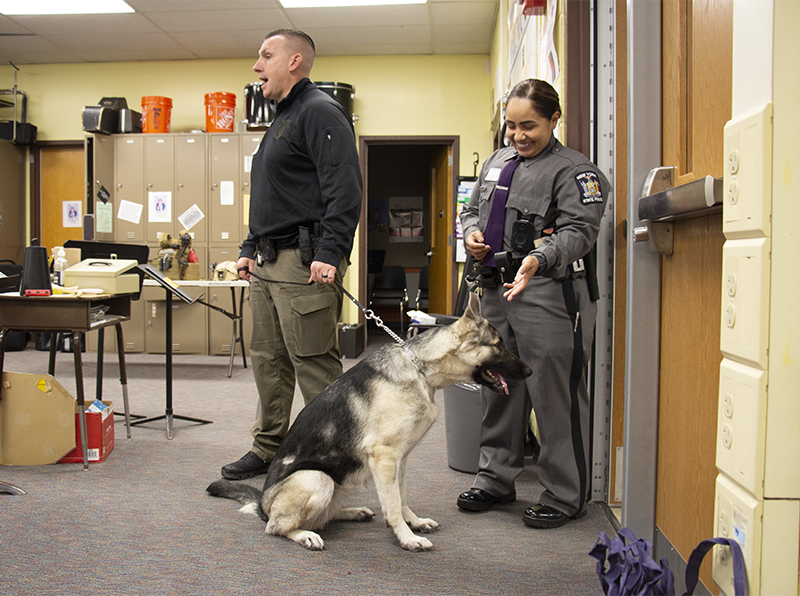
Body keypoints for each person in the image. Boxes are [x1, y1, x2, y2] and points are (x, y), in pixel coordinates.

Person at [456, 79, 609, 528]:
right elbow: (470, 211)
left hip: (547, 291)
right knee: (499, 386)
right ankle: (495, 479)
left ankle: (565, 495)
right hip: (494, 289)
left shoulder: (576, 171)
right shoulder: (497, 162)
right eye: (511, 126)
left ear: (554, 120)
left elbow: (580, 231)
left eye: (530, 126)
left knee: (552, 394)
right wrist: (471, 234)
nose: (518, 136)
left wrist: (540, 258)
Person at [221, 29, 362, 480]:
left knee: (314, 362)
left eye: (266, 56)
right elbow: (272, 197)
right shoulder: (281, 119)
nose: (257, 66)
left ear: (295, 61)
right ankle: (269, 448)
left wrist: (331, 251)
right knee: (268, 359)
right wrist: (248, 247)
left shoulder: (320, 111)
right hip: (265, 262)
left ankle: (336, 453)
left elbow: (345, 191)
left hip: (303, 263)